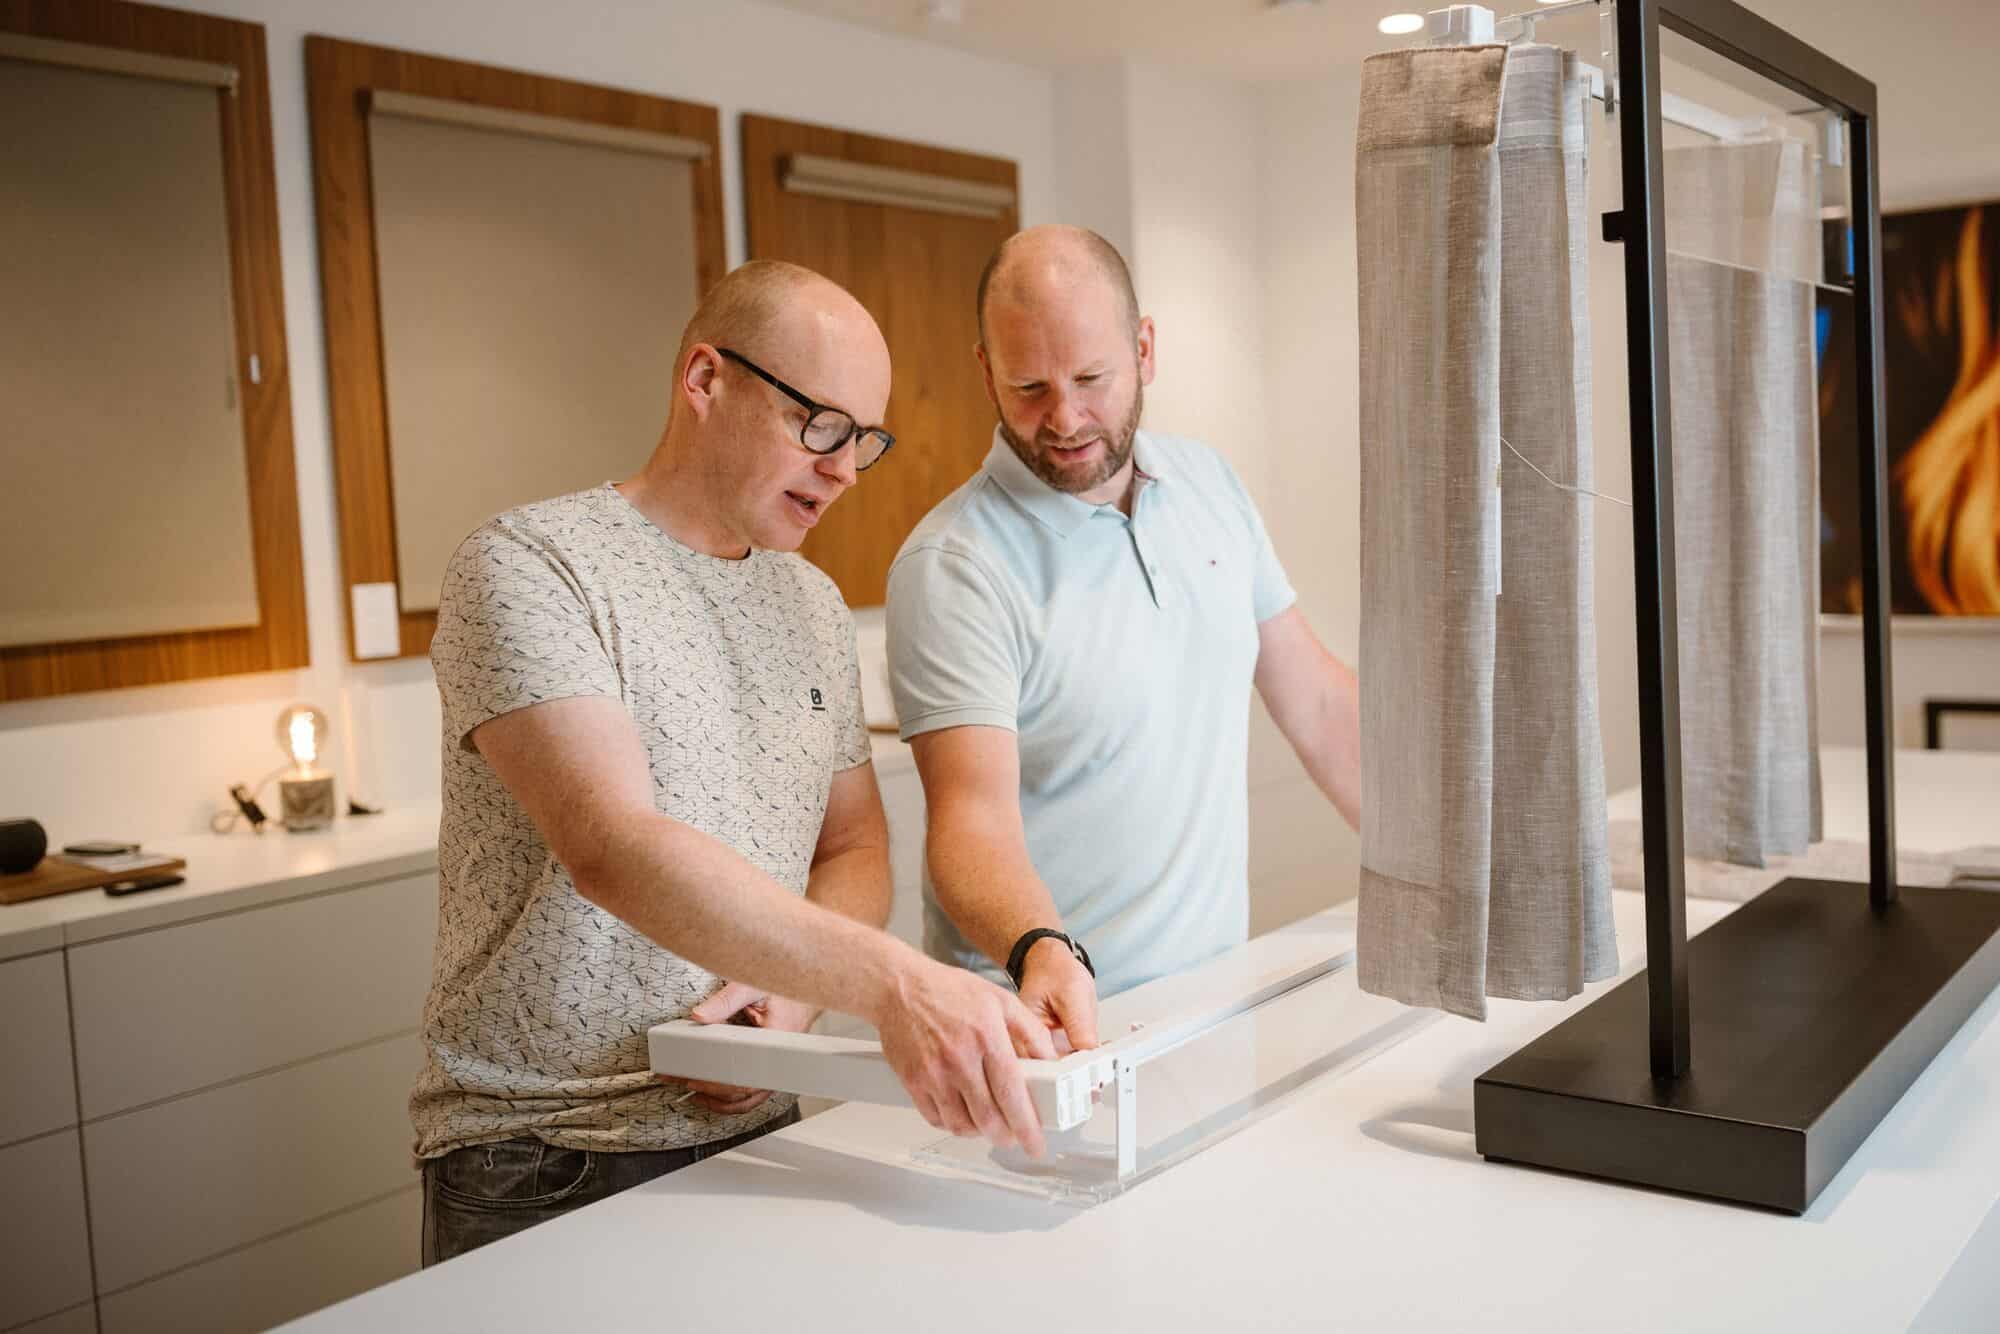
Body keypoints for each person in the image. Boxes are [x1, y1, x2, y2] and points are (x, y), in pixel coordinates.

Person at [413, 260, 1053, 1266]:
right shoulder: (531, 563)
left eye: (865, 440)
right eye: (820, 425)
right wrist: (894, 984)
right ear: (705, 381)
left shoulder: (808, 604)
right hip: (548, 1154)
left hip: (762, 1128)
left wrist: (789, 998)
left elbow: (853, 850)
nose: (845, 468)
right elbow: (611, 844)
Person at [885, 226, 1362, 1053]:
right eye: (1028, 385)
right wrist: (1043, 950)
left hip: (1215, 1002)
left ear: (1144, 350)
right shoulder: (954, 564)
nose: (1063, 417)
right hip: (1047, 1033)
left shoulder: (1209, 483)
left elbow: (1319, 706)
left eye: (1091, 378)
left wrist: (1447, 864)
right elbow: (970, 823)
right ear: (984, 370)